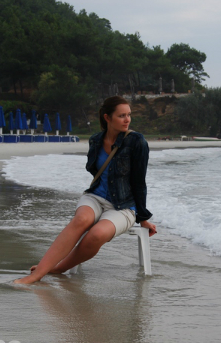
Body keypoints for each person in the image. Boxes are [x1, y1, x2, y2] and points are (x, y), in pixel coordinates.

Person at [14, 96, 156, 284]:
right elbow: (96, 171)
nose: (127, 120)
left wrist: (143, 218)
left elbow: (139, 182)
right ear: (107, 117)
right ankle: (37, 274)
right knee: (81, 220)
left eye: (129, 115)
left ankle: (59, 267)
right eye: (121, 115)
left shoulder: (137, 142)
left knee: (96, 235)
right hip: (95, 197)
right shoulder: (95, 140)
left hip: (123, 206)